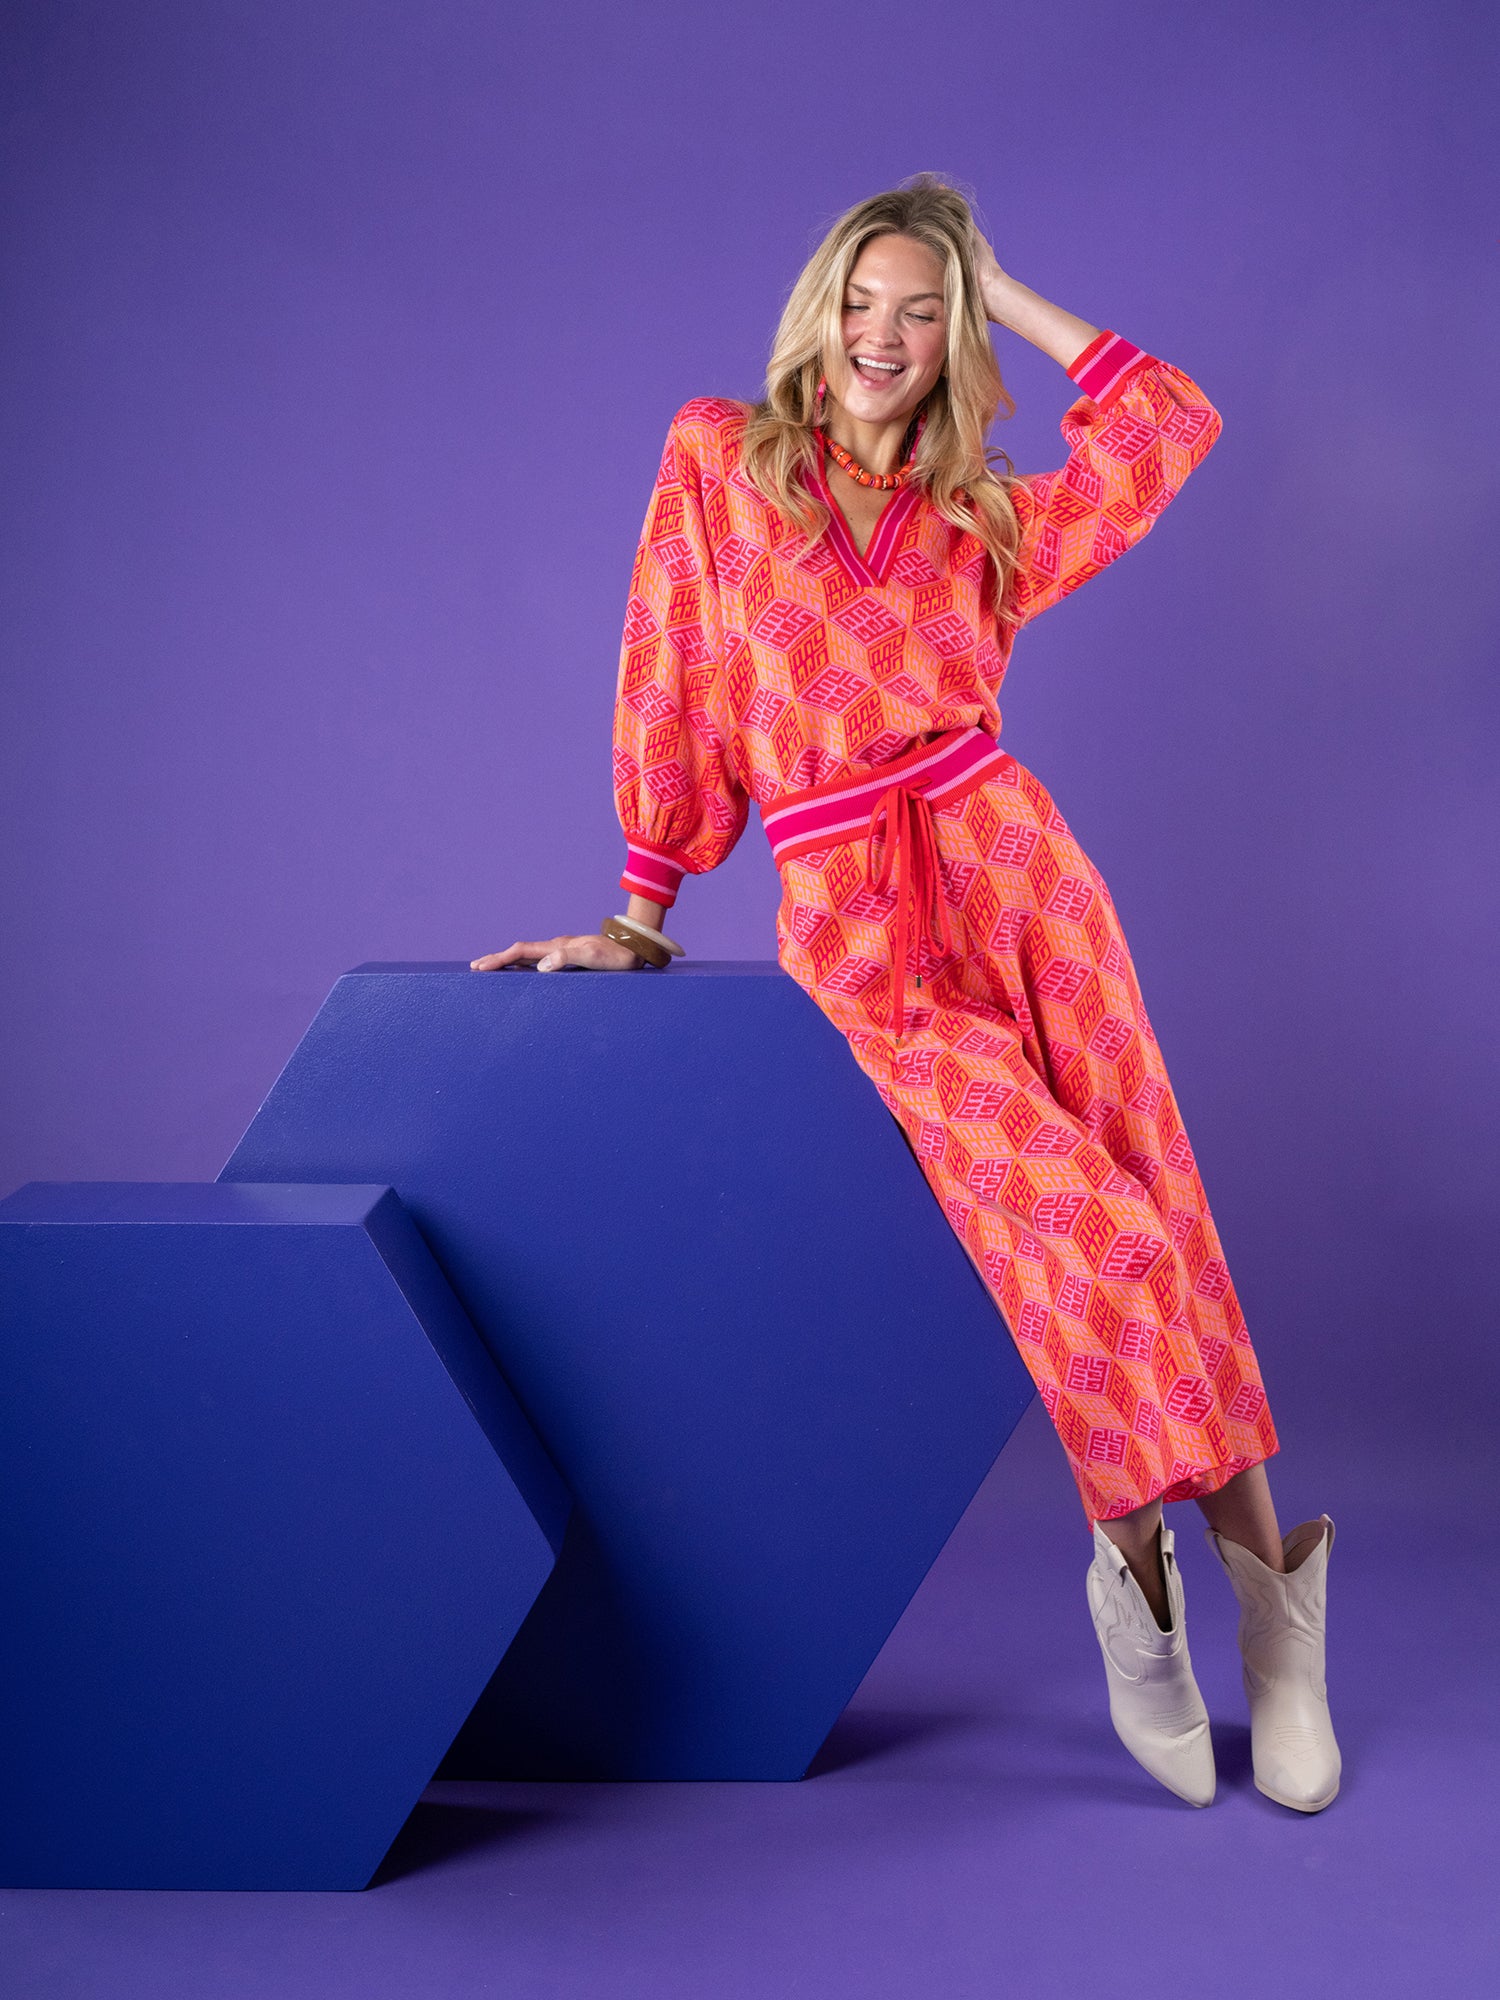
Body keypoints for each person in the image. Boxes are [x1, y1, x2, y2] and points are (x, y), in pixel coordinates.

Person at [471, 175, 1339, 1813]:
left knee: (1164, 1202)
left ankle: (1275, 1624)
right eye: (861, 302)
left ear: (955, 338)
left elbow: (1170, 419)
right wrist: (639, 912)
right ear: (819, 310)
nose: (883, 335)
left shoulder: (986, 520)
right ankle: (1136, 1583)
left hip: (1022, 875)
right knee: (1094, 1231)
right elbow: (671, 670)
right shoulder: (719, 459)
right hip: (859, 926)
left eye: (920, 310)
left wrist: (997, 281)